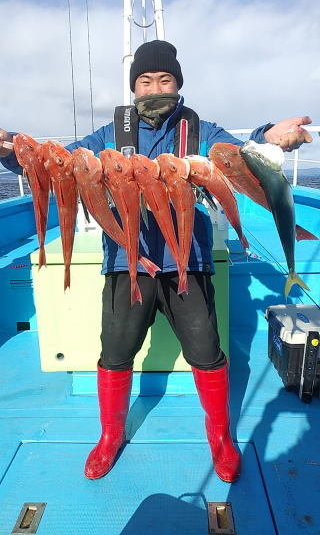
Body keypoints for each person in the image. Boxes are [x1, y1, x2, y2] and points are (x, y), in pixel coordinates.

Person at [0, 40, 313, 483]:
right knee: (115, 351)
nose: (154, 88)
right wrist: (10, 150)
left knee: (206, 352)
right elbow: (58, 164)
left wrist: (267, 138)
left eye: (164, 80)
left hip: (190, 259)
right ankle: (110, 435)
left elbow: (240, 155)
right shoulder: (109, 134)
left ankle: (219, 436)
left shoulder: (200, 129)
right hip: (127, 263)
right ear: (134, 87)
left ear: (178, 84)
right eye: (145, 81)